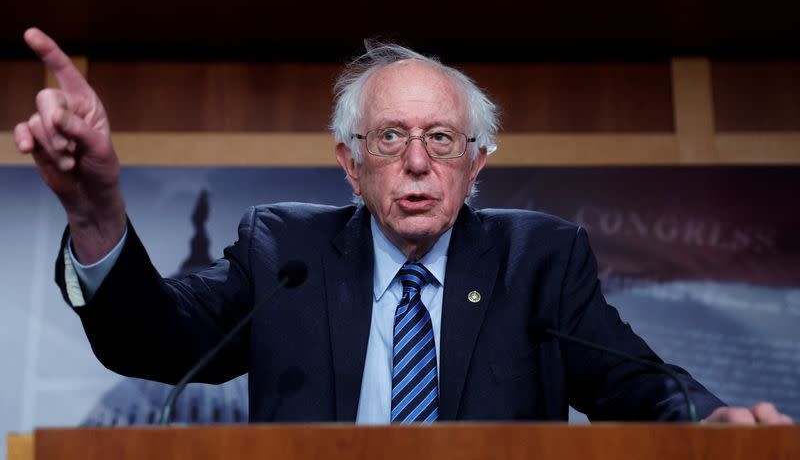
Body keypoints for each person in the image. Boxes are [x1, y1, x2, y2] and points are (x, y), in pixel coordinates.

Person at [14, 28, 792, 424]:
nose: (417, 162)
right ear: (350, 167)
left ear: (476, 163)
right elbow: (149, 340)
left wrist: (709, 418)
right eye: (389, 138)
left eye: (441, 140)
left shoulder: (539, 260)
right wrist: (93, 209)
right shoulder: (285, 251)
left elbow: (636, 380)